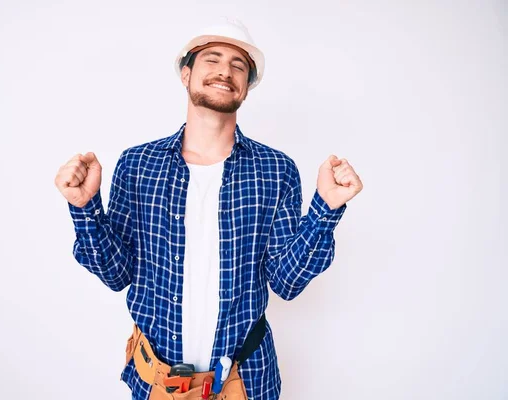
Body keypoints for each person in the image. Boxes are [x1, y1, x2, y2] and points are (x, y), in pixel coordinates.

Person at [54, 17, 363, 400]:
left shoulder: (275, 170)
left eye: (238, 65)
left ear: (247, 88)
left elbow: (287, 281)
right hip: (157, 382)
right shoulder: (138, 165)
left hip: (245, 382)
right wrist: (84, 208)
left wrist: (325, 210)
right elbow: (117, 274)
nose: (224, 71)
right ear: (186, 74)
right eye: (212, 59)